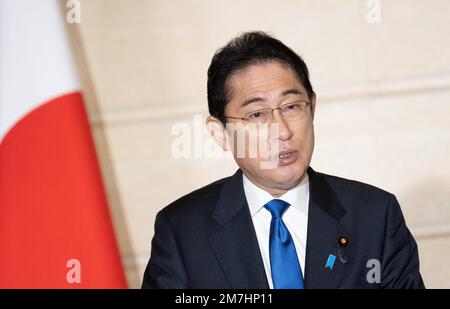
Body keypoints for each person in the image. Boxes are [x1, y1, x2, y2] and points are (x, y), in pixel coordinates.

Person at [142, 31, 424, 289]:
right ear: (221, 133)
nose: (283, 131)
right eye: (257, 115)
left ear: (312, 108)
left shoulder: (375, 215)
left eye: (291, 107)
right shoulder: (182, 231)